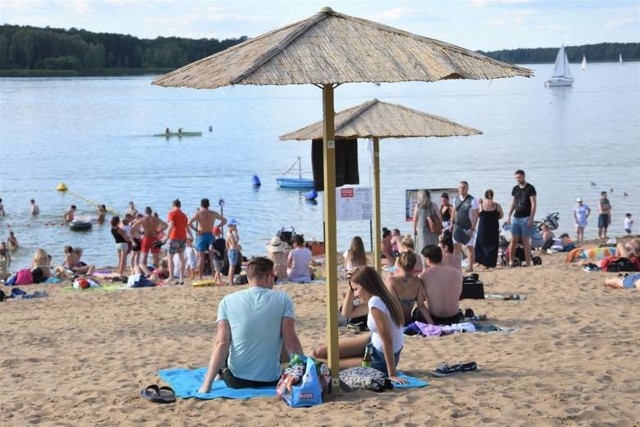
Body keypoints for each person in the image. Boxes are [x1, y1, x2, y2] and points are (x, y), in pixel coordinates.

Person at [198, 257, 304, 391]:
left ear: (248, 278)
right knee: (280, 334)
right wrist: (303, 371)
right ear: (268, 276)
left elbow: (222, 343)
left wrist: (207, 384)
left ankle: (216, 375)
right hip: (271, 379)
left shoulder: (227, 301)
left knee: (224, 338)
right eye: (274, 278)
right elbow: (291, 341)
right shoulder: (283, 299)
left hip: (236, 380)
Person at [312, 266, 406, 383]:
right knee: (319, 352)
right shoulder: (382, 298)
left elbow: (387, 340)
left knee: (322, 363)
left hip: (380, 360)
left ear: (366, 285)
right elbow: (347, 313)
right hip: (372, 344)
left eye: (356, 289)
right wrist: (351, 286)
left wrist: (392, 374)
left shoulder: (376, 302)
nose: (355, 295)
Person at [417, 245, 463, 325]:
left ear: (428, 259)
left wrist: (431, 323)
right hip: (455, 317)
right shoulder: (457, 273)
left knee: (416, 312)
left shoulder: (424, 276)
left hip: (435, 318)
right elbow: (458, 294)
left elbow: (421, 302)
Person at [505, 170, 537, 267]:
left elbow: (533, 204)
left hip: (526, 217)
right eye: (516, 178)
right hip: (516, 217)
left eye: (519, 177)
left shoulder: (530, 188)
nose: (518, 179)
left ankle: (528, 262)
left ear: (523, 177)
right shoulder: (515, 189)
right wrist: (509, 215)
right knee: (514, 240)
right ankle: (511, 261)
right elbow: (513, 203)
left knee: (525, 240)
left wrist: (531, 218)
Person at [189, 198, 227, 280]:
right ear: (208, 205)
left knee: (201, 258)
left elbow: (189, 223)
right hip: (211, 234)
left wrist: (196, 230)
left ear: (201, 205)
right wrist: (217, 226)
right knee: (212, 257)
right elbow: (224, 220)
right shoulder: (213, 213)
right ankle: (214, 276)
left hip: (201, 235)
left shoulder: (198, 213)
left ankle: (200, 277)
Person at [385, 251, 424, 326]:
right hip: (408, 321)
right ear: (413, 265)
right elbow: (421, 305)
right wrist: (431, 323)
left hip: (396, 323)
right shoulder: (418, 282)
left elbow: (395, 305)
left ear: (399, 264)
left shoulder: (391, 280)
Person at [451, 181, 479, 272]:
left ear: (467, 189)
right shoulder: (455, 199)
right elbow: (453, 211)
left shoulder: (473, 200)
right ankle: (457, 267)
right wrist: (451, 223)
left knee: (469, 248)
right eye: (460, 187)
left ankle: (470, 267)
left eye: (464, 188)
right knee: (456, 247)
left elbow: (476, 215)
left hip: (468, 228)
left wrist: (472, 228)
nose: (462, 189)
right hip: (457, 227)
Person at [164, 199, 191, 285]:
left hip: (174, 237)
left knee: (170, 257)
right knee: (181, 258)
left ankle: (171, 276)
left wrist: (166, 237)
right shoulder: (184, 215)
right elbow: (187, 227)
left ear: (173, 205)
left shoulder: (172, 213)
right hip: (183, 237)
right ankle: (181, 278)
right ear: (180, 205)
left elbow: (171, 225)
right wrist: (191, 235)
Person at [474, 189, 504, 268]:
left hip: (483, 228)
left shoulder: (481, 205)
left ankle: (481, 261)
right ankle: (490, 263)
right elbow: (501, 215)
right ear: (493, 196)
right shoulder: (497, 205)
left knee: (481, 244)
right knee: (492, 245)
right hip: (493, 227)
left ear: (485, 196)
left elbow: (475, 215)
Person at [412, 189, 441, 254]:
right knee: (433, 247)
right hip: (433, 230)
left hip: (422, 230)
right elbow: (439, 217)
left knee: (422, 247)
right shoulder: (434, 205)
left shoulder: (418, 206)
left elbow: (414, 219)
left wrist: (414, 230)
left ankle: (423, 261)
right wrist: (439, 227)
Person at [225, 219, 241, 286]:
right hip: (232, 250)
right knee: (232, 266)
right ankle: (231, 281)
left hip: (232, 250)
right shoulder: (230, 234)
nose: (235, 227)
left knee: (232, 266)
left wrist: (236, 234)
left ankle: (231, 281)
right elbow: (234, 243)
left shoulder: (230, 233)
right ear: (230, 226)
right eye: (234, 226)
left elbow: (227, 243)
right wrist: (238, 246)